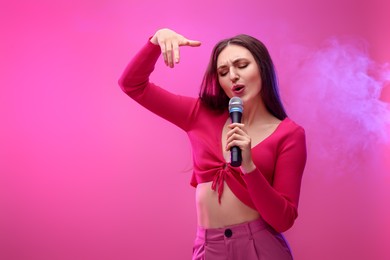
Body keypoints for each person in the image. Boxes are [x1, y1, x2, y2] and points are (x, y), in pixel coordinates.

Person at [118, 28, 307, 260]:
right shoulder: (198, 114)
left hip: (261, 247)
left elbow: (284, 219)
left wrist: (249, 167)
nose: (233, 76)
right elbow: (132, 85)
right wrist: (156, 41)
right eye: (223, 71)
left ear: (262, 67)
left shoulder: (289, 134)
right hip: (209, 248)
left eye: (242, 65)